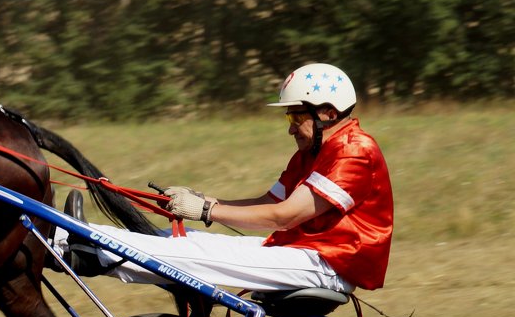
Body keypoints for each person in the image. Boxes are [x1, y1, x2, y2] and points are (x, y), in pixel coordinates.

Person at [60, 63, 393, 294]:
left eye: (295, 115)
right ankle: (79, 239)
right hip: (304, 252)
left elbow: (285, 216)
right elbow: (270, 202)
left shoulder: (355, 151)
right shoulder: (311, 152)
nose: (290, 126)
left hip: (328, 265)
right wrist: (207, 202)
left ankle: (78, 247)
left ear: (329, 113)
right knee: (187, 242)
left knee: (192, 257)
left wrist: (207, 211)